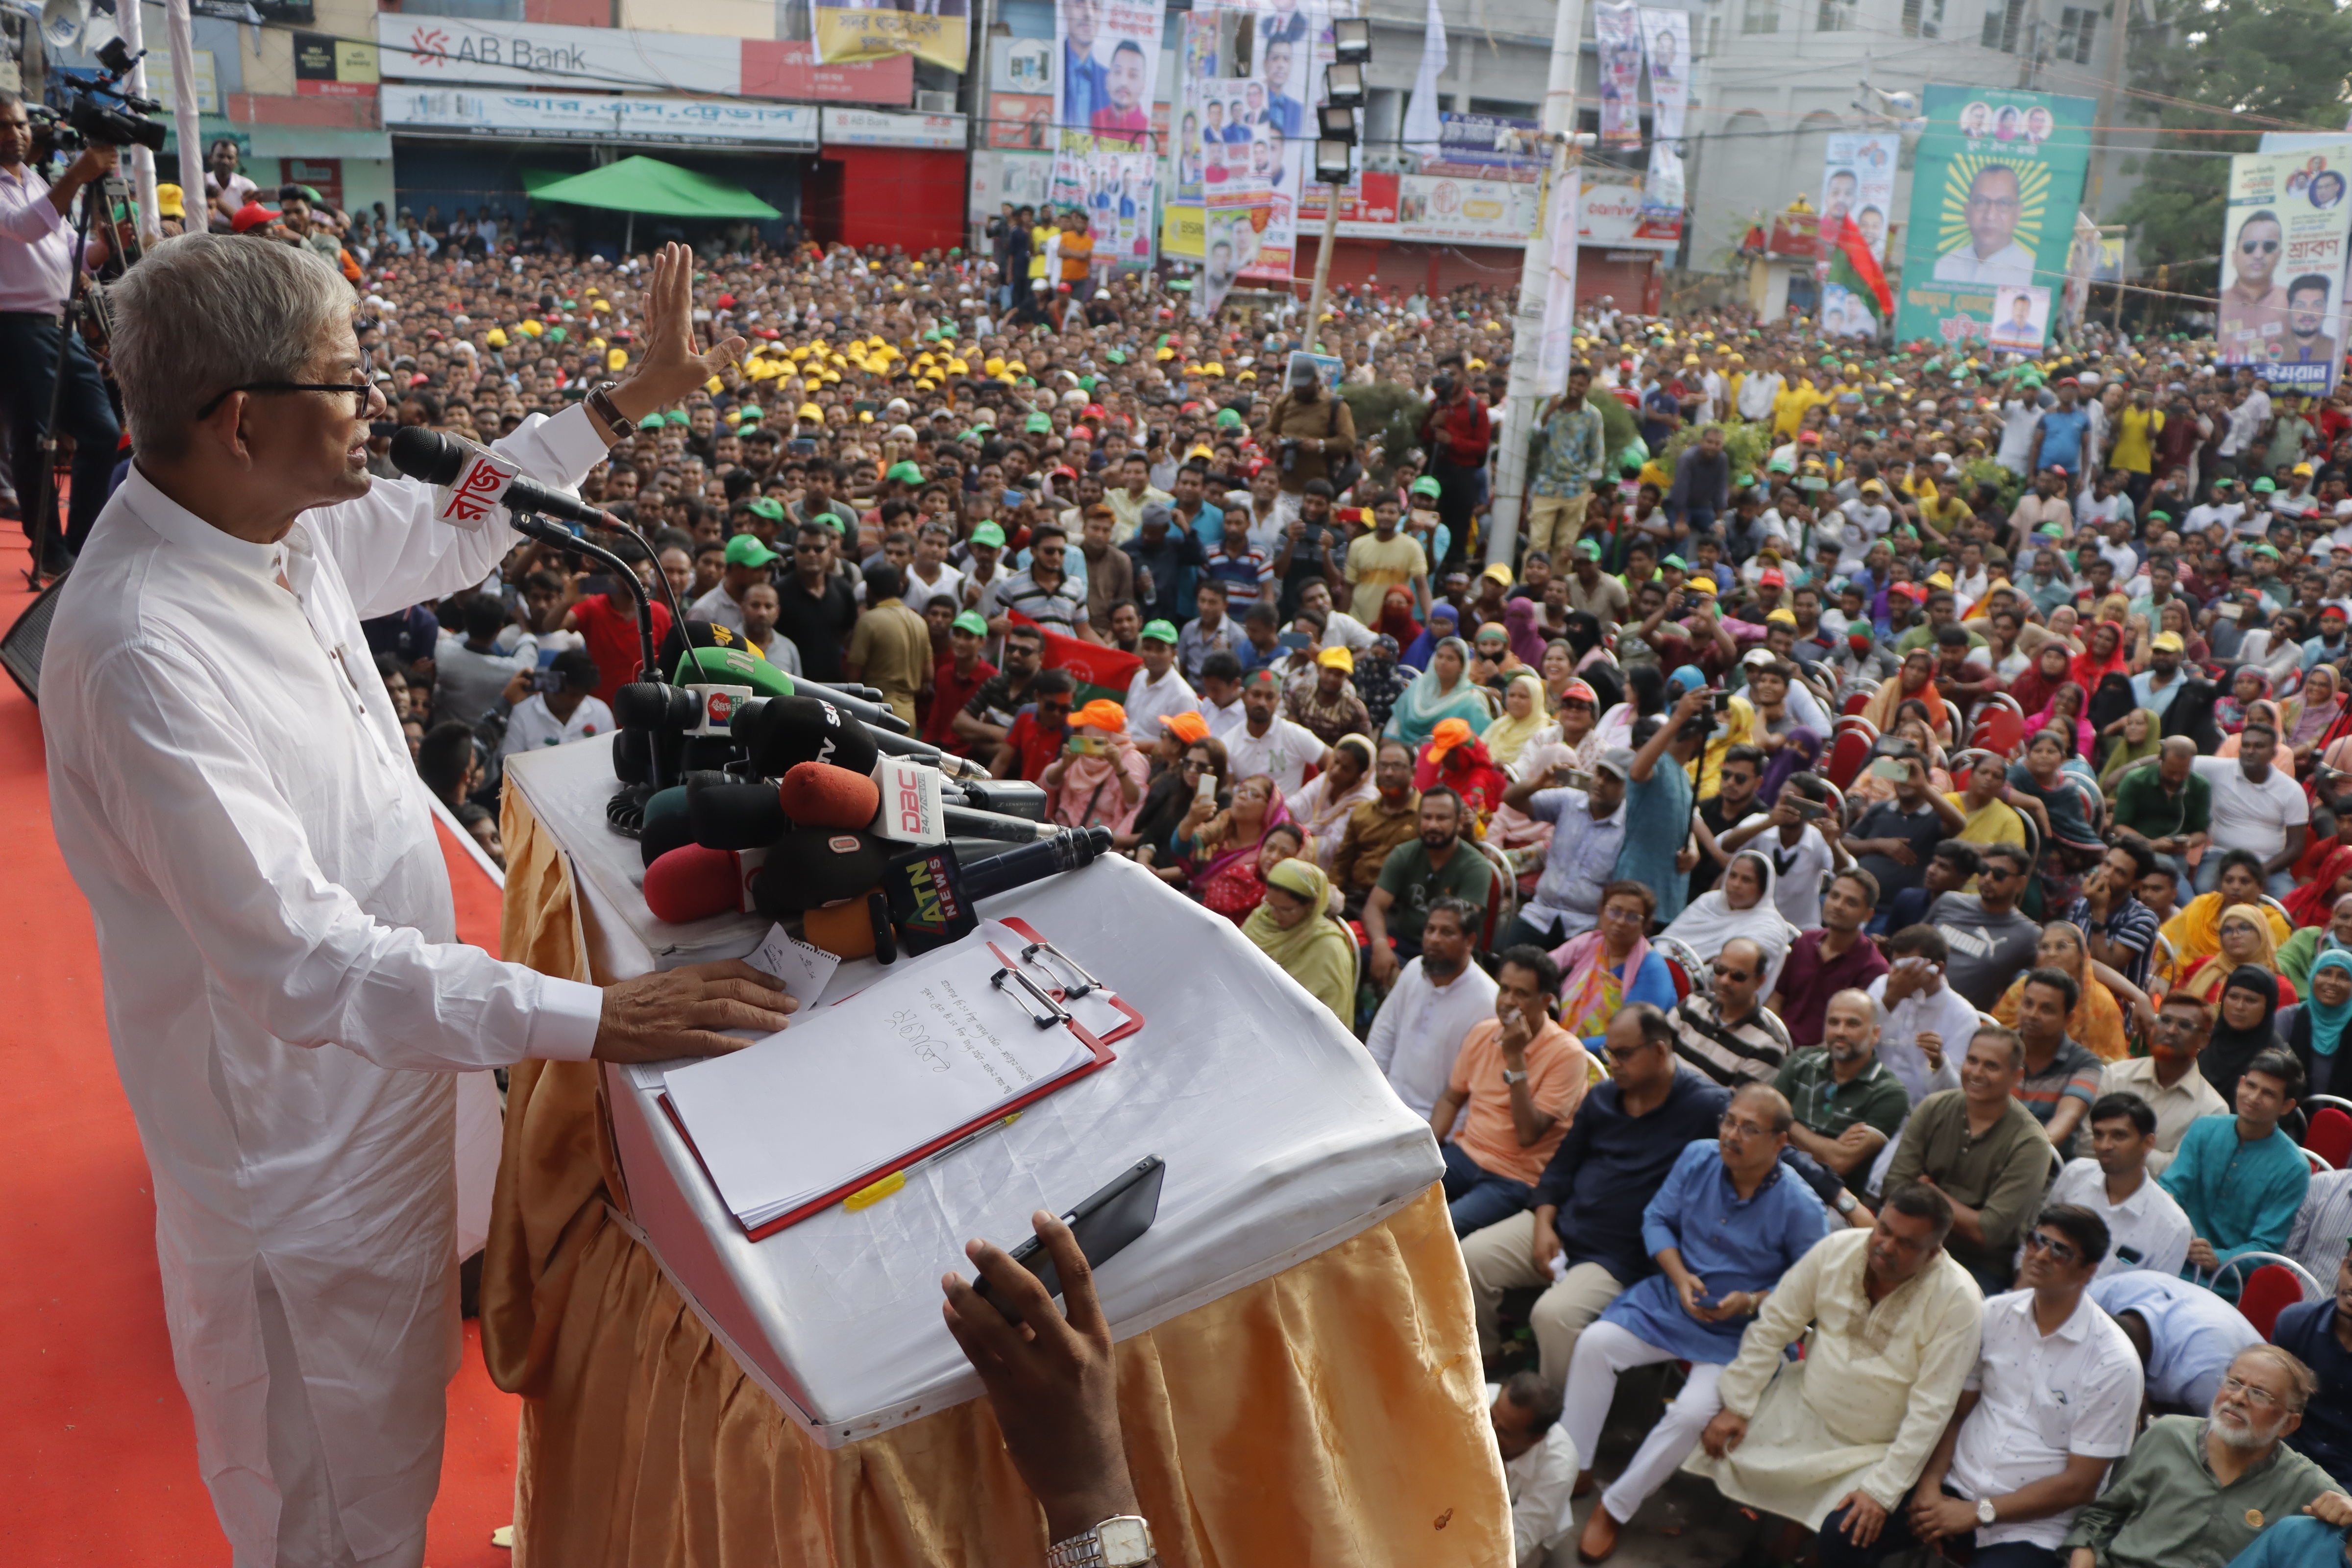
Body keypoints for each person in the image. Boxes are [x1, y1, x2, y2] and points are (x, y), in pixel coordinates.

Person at [41, 238, 796, 1567]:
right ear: (245, 420)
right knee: (330, 1511)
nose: (378, 404)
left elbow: (460, 523)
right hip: (294, 1173)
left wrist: (620, 404)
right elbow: (303, 963)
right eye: (348, 379)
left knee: (392, 1458)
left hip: (386, 1104)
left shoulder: (265, 520)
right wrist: (599, 1016)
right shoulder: (146, 652)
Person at [1561, 1084, 1834, 1564]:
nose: (1732, 1135)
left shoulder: (1801, 1205)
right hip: (1673, 1299)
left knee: (1690, 1413)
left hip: (1741, 1333)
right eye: (1729, 1121)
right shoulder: (1698, 1157)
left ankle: (1615, 1506)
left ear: (1781, 1142)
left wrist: (1749, 1300)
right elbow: (1657, 1220)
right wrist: (1680, 1274)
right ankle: (1575, 1465)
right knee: (1595, 1344)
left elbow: (1808, 1292)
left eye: (1749, 1128)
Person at [1687, 1183, 1985, 1552]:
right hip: (1804, 1405)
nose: (1887, 1246)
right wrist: (1738, 1404)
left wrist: (1882, 1490)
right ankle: (1773, 1549)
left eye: (1907, 1244)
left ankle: (1784, 1552)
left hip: (1874, 1447)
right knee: (1708, 1429)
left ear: (1934, 1252)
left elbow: (1933, 1406)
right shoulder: (1838, 1250)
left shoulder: (1959, 1301)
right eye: (1885, 1230)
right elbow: (1775, 1324)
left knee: (1846, 1526)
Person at [1456, 1003, 1731, 1392]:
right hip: (1565, 1223)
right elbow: (1561, 1166)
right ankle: (1490, 1358)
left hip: (1622, 1254)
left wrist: (1842, 1199)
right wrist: (1545, 1222)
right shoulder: (1603, 1097)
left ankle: (1554, 1418)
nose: (1614, 1063)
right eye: (1610, 1053)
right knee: (1470, 1258)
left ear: (1659, 1051)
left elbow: (1773, 1144)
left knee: (1554, 1315)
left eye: (1623, 1054)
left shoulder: (1705, 1106)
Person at [1853, 1205, 2144, 1568]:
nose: (2040, 1254)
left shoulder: (2113, 1362)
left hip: (2034, 1525)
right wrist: (1929, 1487)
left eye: (2060, 1250)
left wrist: (1978, 1513)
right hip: (1954, 1486)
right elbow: (1958, 1413)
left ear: (2089, 1271)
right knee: (1846, 1532)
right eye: (2038, 1240)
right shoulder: (1994, 1313)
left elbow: (2080, 1484)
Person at [2058, 1347, 2352, 1568]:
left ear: (2289, 1424)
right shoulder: (2168, 1434)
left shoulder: (2303, 1484)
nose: (2238, 1398)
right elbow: (2101, 1519)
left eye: (2260, 1394)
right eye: (2234, 1383)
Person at [0, 90, 124, 569]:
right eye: (3, 126)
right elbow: (24, 228)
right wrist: (77, 175)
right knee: (36, 441)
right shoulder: (46, 185)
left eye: (20, 124)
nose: (14, 134)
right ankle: (49, 552)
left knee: (101, 430)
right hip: (16, 326)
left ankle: (82, 544)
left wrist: (104, 246)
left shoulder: (33, 179)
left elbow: (70, 251)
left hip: (61, 322)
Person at [1430, 947, 1589, 1235]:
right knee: (1392, 1196)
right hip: (1464, 1155)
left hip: (1514, 1178)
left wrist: (1516, 1060)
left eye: (1521, 994)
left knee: (1438, 1229)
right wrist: (1424, 1153)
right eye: (1504, 989)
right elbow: (1452, 1098)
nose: (1507, 1002)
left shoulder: (1568, 1055)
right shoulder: (1483, 1032)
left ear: (1546, 1002)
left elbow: (1528, 1134)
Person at [1885, 1028, 2057, 1291]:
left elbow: (1989, 1232)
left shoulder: (2031, 1143)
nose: (1977, 1073)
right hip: (1910, 1240)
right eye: (1972, 1061)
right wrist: (1965, 1217)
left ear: (2017, 1076)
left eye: (1991, 1066)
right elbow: (1895, 1186)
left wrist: (1929, 1191)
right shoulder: (1933, 1108)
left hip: (1977, 1265)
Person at [2162, 1047, 2312, 1288]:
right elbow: (2171, 1187)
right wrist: (2166, 1199)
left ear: (2287, 1106)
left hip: (2223, 1285)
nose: (2253, 1097)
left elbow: (2265, 1247)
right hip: (2166, 1257)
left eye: (2268, 1094)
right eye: (2251, 1086)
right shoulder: (2204, 1129)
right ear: (2240, 1083)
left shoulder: (2294, 1168)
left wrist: (2218, 1259)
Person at [1363, 898, 1498, 1118]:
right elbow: (1384, 1033)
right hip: (1385, 1102)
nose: (1434, 939)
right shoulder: (1415, 970)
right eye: (1431, 929)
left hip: (1432, 1123)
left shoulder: (1488, 1002)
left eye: (1446, 932)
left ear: (1470, 941)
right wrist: (1369, 1093)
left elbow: (1478, 1086)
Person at [2040, 1093, 2195, 1278]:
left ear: (2148, 1143)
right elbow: (2036, 1242)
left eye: (2119, 1136)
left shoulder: (2173, 1226)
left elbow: (2153, 1300)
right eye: (2098, 1135)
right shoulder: (2074, 1174)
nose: (2105, 1145)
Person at [1776, 989, 1913, 1197]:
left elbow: (1839, 1164)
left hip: (1829, 1200)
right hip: (1772, 1175)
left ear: (1875, 1034)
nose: (1840, 1031)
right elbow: (1762, 1120)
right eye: (1833, 1022)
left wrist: (1785, 1123)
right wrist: (1829, 1148)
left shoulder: (1890, 1093)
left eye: (1853, 1024)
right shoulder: (1802, 1060)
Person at [1498, 747, 1633, 947]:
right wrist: (1538, 783)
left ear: (1628, 788)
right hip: (1541, 914)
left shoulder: (1630, 827)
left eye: (1612, 779)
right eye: (1599, 774)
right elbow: (1511, 799)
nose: (1601, 783)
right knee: (1504, 961)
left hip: (1584, 926)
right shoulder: (1570, 799)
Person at [1363, 787, 1493, 987]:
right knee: (1354, 955)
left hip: (1450, 953)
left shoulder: (1476, 867)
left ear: (1459, 822)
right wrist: (1381, 946)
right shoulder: (1404, 854)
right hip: (1406, 943)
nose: (1433, 825)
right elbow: (1374, 907)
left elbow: (1459, 928)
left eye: (1442, 818)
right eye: (1427, 817)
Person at [2092, 1268, 2265, 1414]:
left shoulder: (2206, 1369)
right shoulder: (2109, 1293)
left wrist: (2151, 1410)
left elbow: (2224, 1440)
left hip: (2256, 1406)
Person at [2099, 992, 2231, 1176]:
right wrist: (2153, 1156)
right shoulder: (2116, 1076)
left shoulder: (2213, 1110)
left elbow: (2182, 1169)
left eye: (2185, 1025)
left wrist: (2119, 1150)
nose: (2171, 1031)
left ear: (2204, 1041)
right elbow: (2089, 1142)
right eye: (2165, 1020)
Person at [1769, 869, 1893, 1052]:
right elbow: (1778, 997)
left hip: (1819, 1060)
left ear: (1868, 915)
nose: (1838, 905)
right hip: (1774, 1043)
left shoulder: (1874, 969)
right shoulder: (1806, 941)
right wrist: (1766, 1037)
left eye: (1851, 902)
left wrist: (1801, 1062)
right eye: (1834, 896)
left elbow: (1851, 1034)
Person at [2001, 964, 2109, 1158]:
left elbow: (2068, 1117)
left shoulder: (2086, 1064)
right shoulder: (1999, 1048)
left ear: (2068, 1018)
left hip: (2042, 1166)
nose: (2033, 1015)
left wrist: (2023, 1155)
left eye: (2047, 1009)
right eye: (2028, 1004)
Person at [1548, 880, 1679, 1040]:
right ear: (1602, 911)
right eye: (1615, 912)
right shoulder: (1590, 943)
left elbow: (1633, 1033)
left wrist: (1570, 1049)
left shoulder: (1652, 969)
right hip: (1562, 1041)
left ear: (1645, 925)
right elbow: (1541, 968)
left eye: (1633, 917)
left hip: (1611, 1057)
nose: (1620, 921)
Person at [1661, 848, 1802, 995]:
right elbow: (1665, 941)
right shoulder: (1709, 902)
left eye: (1746, 880)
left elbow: (1732, 974)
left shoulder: (1769, 927)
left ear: (1764, 888)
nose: (1736, 884)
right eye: (1732, 876)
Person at [2193, 724, 2310, 897]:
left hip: (2268, 862)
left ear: (2274, 754)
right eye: (2246, 745)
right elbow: (2174, 757)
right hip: (2221, 854)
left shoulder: (2291, 790)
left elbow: (2296, 848)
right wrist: (2137, 764)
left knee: (2287, 900)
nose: (2250, 751)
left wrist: (2259, 872)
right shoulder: (2218, 769)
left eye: (2259, 746)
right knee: (2205, 889)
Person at [1242, 856, 1358, 1026]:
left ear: (1312, 906)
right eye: (1271, 904)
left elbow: (1332, 1019)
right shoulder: (1260, 921)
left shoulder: (1328, 946)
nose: (1276, 915)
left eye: (1287, 910)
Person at [1867, 924, 1976, 1103]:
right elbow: (1856, 1042)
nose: (1898, 975)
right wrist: (1890, 1000)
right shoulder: (1882, 985)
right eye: (1895, 965)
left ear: (1938, 969)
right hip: (1870, 1098)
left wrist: (1939, 1062)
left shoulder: (1963, 1016)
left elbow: (1957, 1095)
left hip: (1921, 1112)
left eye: (1908, 967)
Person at [1928, 843, 2044, 1011]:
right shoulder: (1949, 902)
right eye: (1983, 870)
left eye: (1999, 874)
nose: (1988, 878)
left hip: (1963, 1022)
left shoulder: (2029, 935)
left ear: (2020, 883)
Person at [1668, 935, 1793, 1088]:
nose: (1724, 981)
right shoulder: (1694, 1003)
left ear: (1759, 982)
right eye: (1720, 970)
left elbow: (1732, 1107)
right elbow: (1654, 1054)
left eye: (1738, 976)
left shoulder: (1767, 1047)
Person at [1490, 1374, 1578, 1568]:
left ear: (1535, 1440)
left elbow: (1515, 1550)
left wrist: (1489, 1499)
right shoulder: (1483, 1396)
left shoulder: (1559, 1467)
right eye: (1491, 1417)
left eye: (1504, 1431)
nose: (1489, 1431)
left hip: (1521, 1533)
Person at [844, 560, 931, 726]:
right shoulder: (919, 621)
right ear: (899, 587)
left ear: (868, 590)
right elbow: (929, 675)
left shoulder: (869, 621)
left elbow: (853, 676)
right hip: (909, 714)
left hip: (876, 711)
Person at [2203, 966, 2291, 1102]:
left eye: (2251, 1001)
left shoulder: (2277, 1058)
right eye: (2233, 997)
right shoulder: (2204, 1041)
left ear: (2268, 1007)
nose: (2239, 1007)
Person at [2280, 949, 2352, 1100]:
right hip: (2291, 1118)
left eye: (2344, 977)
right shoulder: (2288, 1020)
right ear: (2313, 977)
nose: (2333, 982)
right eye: (2325, 973)